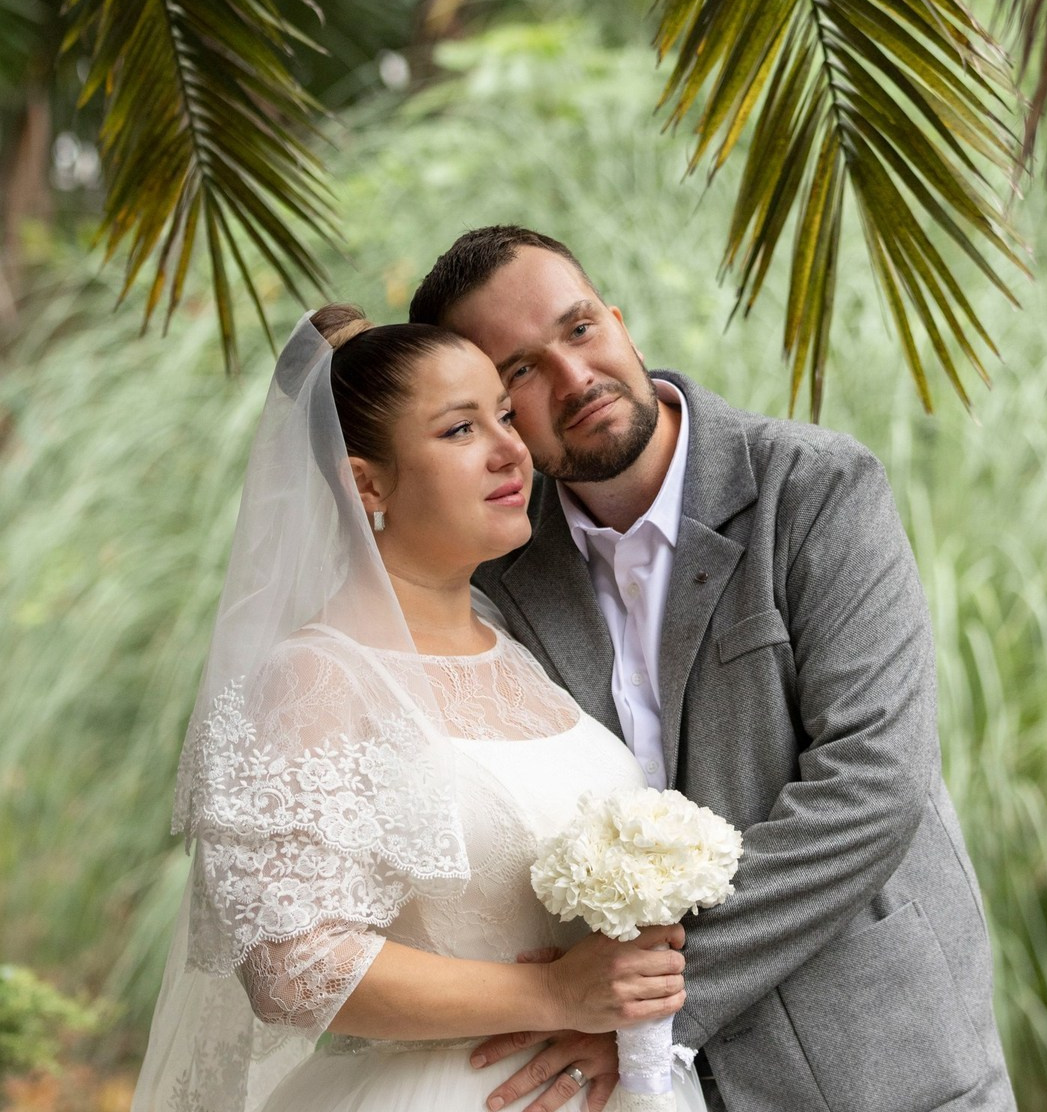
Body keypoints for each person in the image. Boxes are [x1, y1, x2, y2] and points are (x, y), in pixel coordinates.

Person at [409, 227, 1018, 1112]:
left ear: (617, 321)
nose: (576, 379)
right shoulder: (500, 571)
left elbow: (876, 785)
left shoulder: (814, 489)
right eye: (522, 374)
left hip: (883, 1062)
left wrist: (640, 1013)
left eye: (580, 330)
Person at [130, 306, 705, 1112]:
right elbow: (293, 968)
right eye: (460, 430)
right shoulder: (313, 681)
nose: (511, 449)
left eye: (505, 416)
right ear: (366, 482)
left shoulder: (518, 649)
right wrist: (554, 999)